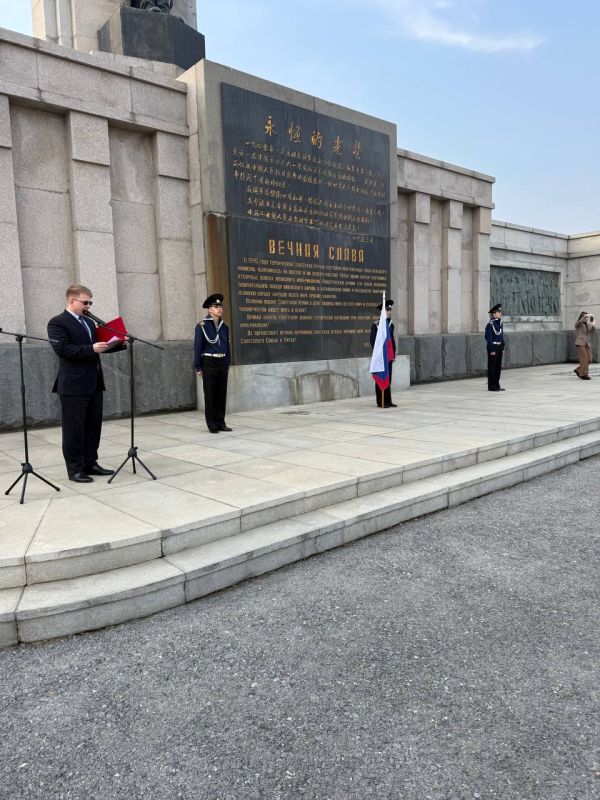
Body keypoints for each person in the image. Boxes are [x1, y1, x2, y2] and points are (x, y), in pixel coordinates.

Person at [47, 285, 125, 483]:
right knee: (74, 429)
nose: (88, 306)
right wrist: (91, 348)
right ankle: (75, 469)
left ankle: (90, 463)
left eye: (90, 302)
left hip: (94, 383)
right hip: (73, 386)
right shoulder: (57, 323)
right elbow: (63, 350)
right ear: (72, 301)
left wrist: (118, 343)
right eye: (85, 302)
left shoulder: (89, 323)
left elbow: (99, 348)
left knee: (93, 426)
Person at [194, 293, 232, 433]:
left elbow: (227, 347)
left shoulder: (225, 326)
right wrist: (198, 366)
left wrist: (228, 362)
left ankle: (221, 422)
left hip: (222, 362)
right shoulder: (202, 326)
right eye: (216, 306)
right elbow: (197, 346)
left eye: (220, 306)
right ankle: (212, 424)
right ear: (210, 309)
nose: (219, 308)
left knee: (221, 394)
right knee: (210, 394)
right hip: (209, 361)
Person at [370, 299, 397, 408]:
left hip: (389, 357)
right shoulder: (376, 325)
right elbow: (373, 341)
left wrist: (393, 354)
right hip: (381, 357)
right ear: (382, 312)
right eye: (387, 310)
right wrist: (378, 355)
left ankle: (388, 401)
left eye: (390, 310)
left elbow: (392, 340)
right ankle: (381, 401)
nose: (390, 312)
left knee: (388, 378)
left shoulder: (390, 324)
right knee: (381, 377)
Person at [485, 303, 506, 392]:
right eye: (497, 312)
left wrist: (502, 346)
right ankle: (492, 386)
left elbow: (501, 336)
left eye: (499, 312)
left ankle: (497, 385)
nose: (499, 313)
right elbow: (488, 338)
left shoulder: (499, 323)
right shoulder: (490, 324)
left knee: (498, 367)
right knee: (492, 368)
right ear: (493, 314)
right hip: (493, 347)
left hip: (499, 347)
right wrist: (492, 349)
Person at [574, 311, 595, 380]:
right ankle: (584, 375)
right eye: (584, 316)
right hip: (580, 342)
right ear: (581, 317)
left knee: (589, 359)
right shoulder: (578, 324)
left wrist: (592, 323)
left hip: (586, 343)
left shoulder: (588, 324)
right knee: (584, 358)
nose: (586, 317)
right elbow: (579, 322)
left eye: (587, 316)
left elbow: (593, 332)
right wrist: (583, 318)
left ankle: (578, 370)